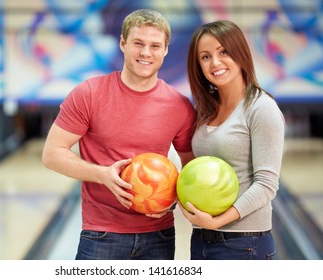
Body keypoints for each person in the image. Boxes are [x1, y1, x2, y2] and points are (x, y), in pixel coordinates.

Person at [42, 9, 196, 260]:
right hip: (101, 234)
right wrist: (102, 174)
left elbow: (192, 169)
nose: (146, 52)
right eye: (138, 43)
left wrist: (173, 200)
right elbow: (52, 154)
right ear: (123, 44)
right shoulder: (89, 94)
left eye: (155, 45)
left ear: (166, 50)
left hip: (159, 235)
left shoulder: (179, 105)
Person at [179, 20, 285, 260]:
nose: (215, 63)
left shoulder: (261, 108)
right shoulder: (206, 110)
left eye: (223, 52)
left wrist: (218, 221)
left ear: (240, 53)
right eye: (205, 57)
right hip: (202, 238)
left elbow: (267, 184)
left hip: (245, 241)